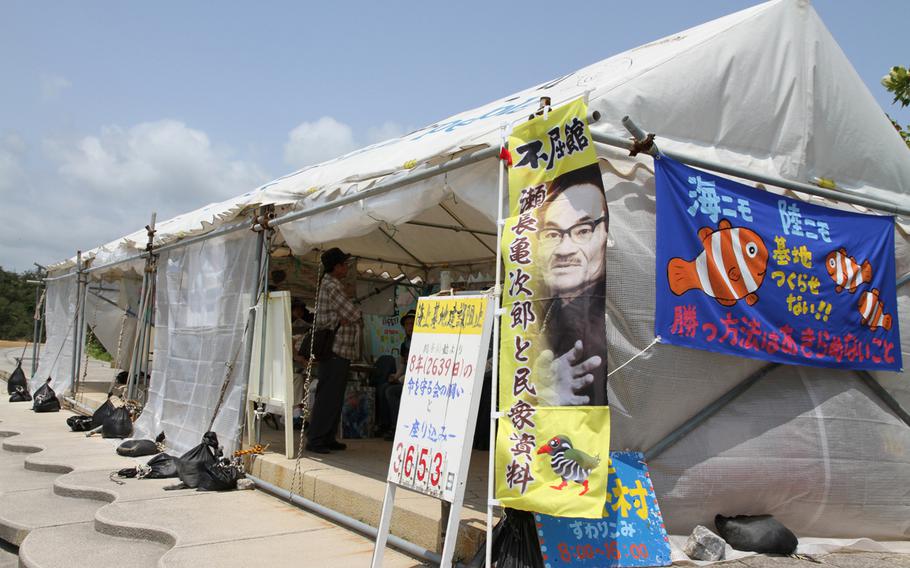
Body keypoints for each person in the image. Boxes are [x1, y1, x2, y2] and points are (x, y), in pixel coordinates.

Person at [533, 163, 609, 406]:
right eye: (552, 234)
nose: (564, 249)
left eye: (583, 230)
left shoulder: (608, 320)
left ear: (607, 234)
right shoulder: (548, 307)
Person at [306, 247, 361, 453]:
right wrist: (352, 314)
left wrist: (348, 316)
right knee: (329, 397)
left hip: (336, 349)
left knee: (333, 396)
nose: (346, 267)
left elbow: (348, 314)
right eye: (344, 264)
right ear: (336, 267)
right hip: (336, 348)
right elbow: (352, 313)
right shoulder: (333, 286)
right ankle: (317, 439)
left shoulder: (328, 284)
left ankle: (326, 437)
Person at [380, 309, 415, 440]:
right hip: (405, 378)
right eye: (407, 324)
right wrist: (395, 376)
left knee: (391, 392)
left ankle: (396, 428)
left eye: (412, 323)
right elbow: (402, 365)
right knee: (383, 387)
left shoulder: (422, 341)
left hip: (415, 381)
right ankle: (385, 425)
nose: (409, 327)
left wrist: (402, 379)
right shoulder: (404, 344)